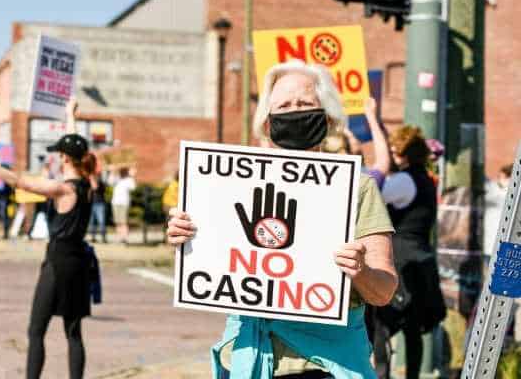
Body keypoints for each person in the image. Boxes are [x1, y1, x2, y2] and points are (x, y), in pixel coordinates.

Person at [167, 59, 398, 379]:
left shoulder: (357, 187)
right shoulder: (231, 186)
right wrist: (186, 238)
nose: (295, 112)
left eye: (305, 103)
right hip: (248, 361)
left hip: (324, 367)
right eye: (284, 105)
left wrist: (360, 270)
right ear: (267, 122)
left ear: (328, 118)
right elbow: (212, 266)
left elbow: (383, 291)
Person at [0, 99, 94, 379]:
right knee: (73, 332)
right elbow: (77, 146)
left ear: (64, 158)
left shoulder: (62, 189)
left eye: (59, 154)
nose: (55, 157)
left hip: (57, 264)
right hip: (79, 263)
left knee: (36, 330)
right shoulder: (88, 186)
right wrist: (69, 116)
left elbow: (19, 182)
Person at [374, 126, 447, 379]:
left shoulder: (404, 180)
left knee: (382, 325)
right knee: (413, 330)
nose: (392, 156)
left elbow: (374, 193)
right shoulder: (426, 179)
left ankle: (382, 375)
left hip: (402, 263)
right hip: (423, 260)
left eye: (395, 151)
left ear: (405, 154)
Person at [322, 97, 390, 189]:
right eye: (350, 136)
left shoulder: (315, 179)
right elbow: (382, 162)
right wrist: (371, 117)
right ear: (345, 151)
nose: (353, 135)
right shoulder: (362, 182)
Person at [110, 167, 136, 244]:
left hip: (124, 203)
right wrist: (112, 172)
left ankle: (125, 238)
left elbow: (133, 187)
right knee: (117, 222)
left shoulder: (128, 180)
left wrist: (132, 176)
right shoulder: (117, 179)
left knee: (124, 221)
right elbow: (110, 182)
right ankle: (120, 237)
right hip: (115, 203)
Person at [0, 165, 14, 240]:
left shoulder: (8, 180)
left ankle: (5, 234)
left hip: (4, 199)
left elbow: (11, 191)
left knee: (4, 217)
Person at [88, 171, 108, 243]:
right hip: (91, 204)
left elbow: (95, 187)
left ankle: (103, 238)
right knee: (91, 222)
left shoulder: (100, 182)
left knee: (101, 222)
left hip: (100, 204)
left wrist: (92, 180)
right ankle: (93, 237)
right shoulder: (90, 183)